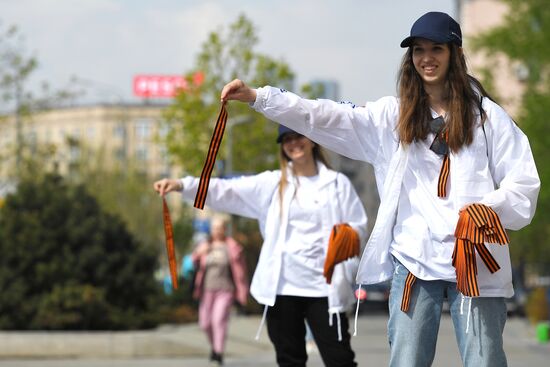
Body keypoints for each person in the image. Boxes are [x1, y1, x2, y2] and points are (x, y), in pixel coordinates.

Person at [219, 11, 540, 367]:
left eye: (437, 48)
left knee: (485, 361)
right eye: (419, 50)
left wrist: (488, 209)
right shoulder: (392, 117)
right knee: (406, 361)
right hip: (415, 262)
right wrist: (259, 98)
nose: (427, 58)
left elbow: (523, 180)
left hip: (474, 260)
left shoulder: (487, 118)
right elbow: (323, 115)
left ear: (454, 53)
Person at [154, 125, 368, 367]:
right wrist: (182, 185)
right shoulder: (273, 184)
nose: (293, 143)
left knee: (340, 360)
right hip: (282, 289)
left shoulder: (337, 184)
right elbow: (226, 189)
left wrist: (345, 246)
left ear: (312, 140)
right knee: (289, 360)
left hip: (325, 290)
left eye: (298, 136)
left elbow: (358, 226)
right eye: (286, 139)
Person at [188, 216, 248, 366]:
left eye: (220, 227)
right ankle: (215, 347)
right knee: (205, 324)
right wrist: (199, 253)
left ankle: (218, 353)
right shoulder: (205, 245)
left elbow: (241, 272)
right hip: (206, 290)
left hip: (225, 290)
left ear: (224, 229)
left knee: (218, 320)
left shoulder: (232, 246)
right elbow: (191, 262)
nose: (217, 231)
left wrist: (242, 292)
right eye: (214, 228)